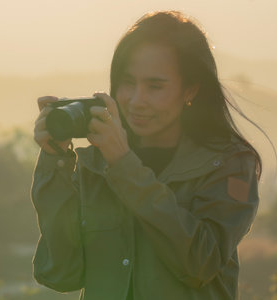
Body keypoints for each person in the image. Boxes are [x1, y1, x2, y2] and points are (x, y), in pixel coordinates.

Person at [31, 11, 261, 300]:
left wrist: (124, 166)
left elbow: (201, 263)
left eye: (155, 86)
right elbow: (61, 273)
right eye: (128, 82)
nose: (136, 100)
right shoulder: (96, 163)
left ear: (190, 89)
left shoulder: (229, 164)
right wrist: (56, 162)